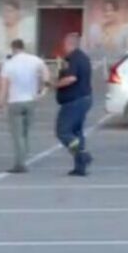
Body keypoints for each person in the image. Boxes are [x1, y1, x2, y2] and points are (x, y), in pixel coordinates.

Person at [0, 39, 47, 173]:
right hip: (31, 100)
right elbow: (46, 73)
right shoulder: (35, 60)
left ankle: (20, 163)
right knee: (26, 133)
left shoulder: (8, 64)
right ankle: (24, 157)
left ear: (13, 49)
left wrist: (0, 102)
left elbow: (4, 86)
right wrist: (43, 90)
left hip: (15, 101)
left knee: (17, 134)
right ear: (23, 47)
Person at [53, 32, 93, 176]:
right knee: (76, 133)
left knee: (63, 131)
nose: (63, 47)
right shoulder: (84, 57)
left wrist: (55, 84)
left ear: (70, 44)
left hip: (74, 101)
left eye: (64, 44)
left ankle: (83, 155)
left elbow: (71, 78)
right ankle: (80, 167)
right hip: (83, 99)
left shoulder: (74, 58)